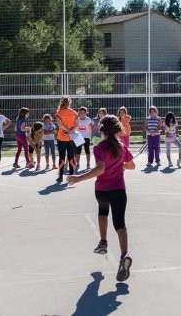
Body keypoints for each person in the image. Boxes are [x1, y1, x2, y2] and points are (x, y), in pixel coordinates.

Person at [67, 115, 135, 282]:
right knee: (120, 223)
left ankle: (103, 242)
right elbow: (132, 166)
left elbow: (100, 169)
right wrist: (123, 165)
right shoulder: (121, 146)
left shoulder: (99, 147)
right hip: (119, 189)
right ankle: (124, 255)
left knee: (102, 212)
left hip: (103, 190)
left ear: (102, 130)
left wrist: (78, 178)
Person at [55, 96, 79, 183]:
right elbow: (77, 125)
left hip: (61, 138)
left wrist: (67, 130)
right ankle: (71, 177)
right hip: (71, 137)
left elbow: (60, 124)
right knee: (71, 157)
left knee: (62, 157)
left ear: (61, 101)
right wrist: (71, 131)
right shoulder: (74, 112)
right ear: (70, 102)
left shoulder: (58, 112)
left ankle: (60, 176)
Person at [76, 107, 94, 171]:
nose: (82, 114)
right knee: (78, 151)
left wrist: (91, 136)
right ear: (79, 113)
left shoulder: (88, 119)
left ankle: (88, 163)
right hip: (78, 137)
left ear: (86, 113)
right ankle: (77, 164)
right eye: (81, 112)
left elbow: (91, 128)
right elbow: (75, 128)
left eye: (84, 113)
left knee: (87, 150)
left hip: (86, 137)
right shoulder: (77, 119)